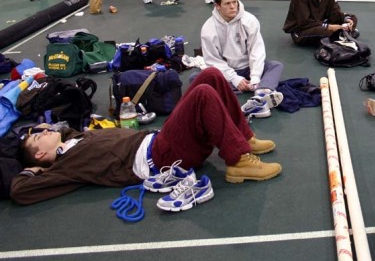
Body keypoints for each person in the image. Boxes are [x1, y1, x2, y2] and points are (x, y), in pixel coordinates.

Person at [11, 66, 282, 205]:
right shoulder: (63, 167)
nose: (43, 131)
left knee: (210, 75)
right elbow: (20, 192)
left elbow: (58, 129)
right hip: (161, 159)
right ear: (40, 154)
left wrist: (48, 131)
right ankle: (238, 162)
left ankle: (243, 138)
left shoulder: (73, 138)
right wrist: (33, 169)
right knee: (202, 94)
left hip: (159, 140)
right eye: (37, 138)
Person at [201, 0, 284, 119]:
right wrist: (234, 78)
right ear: (217, 6)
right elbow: (213, 60)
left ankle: (259, 97)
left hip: (248, 69)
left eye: (235, 2)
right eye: (227, 3)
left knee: (275, 65)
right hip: (226, 72)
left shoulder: (249, 20)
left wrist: (255, 76)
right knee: (197, 78)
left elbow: (256, 50)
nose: (233, 6)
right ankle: (259, 89)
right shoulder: (208, 29)